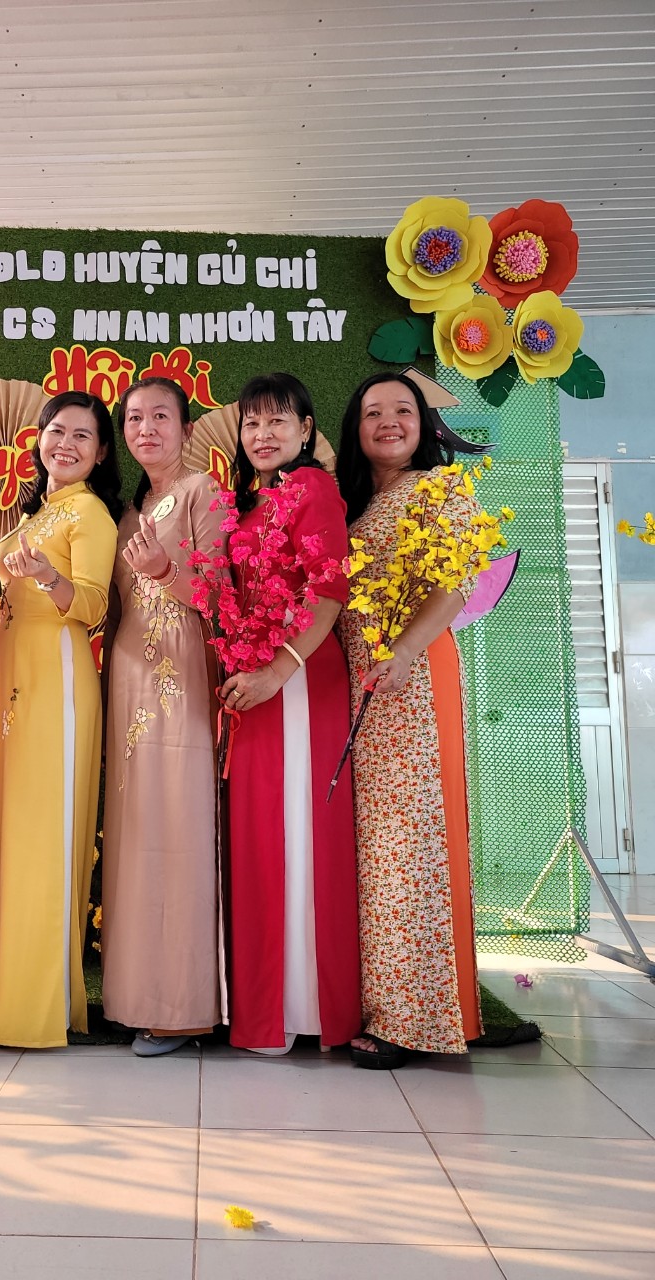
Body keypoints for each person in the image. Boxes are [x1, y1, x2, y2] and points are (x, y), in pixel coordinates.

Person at [335, 372, 483, 1069]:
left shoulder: (440, 490)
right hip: (359, 684)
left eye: (403, 410)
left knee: (408, 844)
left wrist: (404, 652)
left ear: (425, 423)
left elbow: (457, 584)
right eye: (373, 412)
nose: (389, 422)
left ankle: (414, 1020)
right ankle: (379, 1002)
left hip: (410, 678)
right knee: (372, 849)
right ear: (355, 427)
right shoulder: (356, 502)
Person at [220, 373, 361, 1054]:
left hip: (299, 678)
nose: (263, 434)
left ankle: (305, 1011)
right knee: (259, 836)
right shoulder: (249, 503)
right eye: (252, 423)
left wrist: (278, 669)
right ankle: (264, 1011)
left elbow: (328, 591)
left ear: (306, 430)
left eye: (278, 421)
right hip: (255, 683)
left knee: (299, 832)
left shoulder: (313, 489)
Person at [0, 391, 122, 1048]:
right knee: (8, 829)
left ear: (100, 452)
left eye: (82, 436)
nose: (66, 444)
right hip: (8, 674)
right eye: (57, 431)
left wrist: (44, 577)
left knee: (44, 833)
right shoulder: (35, 511)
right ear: (39, 439)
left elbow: (92, 606)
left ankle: (36, 1006)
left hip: (56, 676)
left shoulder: (89, 512)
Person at [100, 377, 224, 1056]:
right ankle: (133, 997)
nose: (146, 429)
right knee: (135, 830)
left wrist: (163, 570)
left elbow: (222, 594)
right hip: (128, 679)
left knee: (178, 827)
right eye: (134, 419)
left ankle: (181, 1008)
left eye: (160, 417)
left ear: (186, 428)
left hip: (182, 673)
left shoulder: (205, 492)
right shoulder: (129, 510)